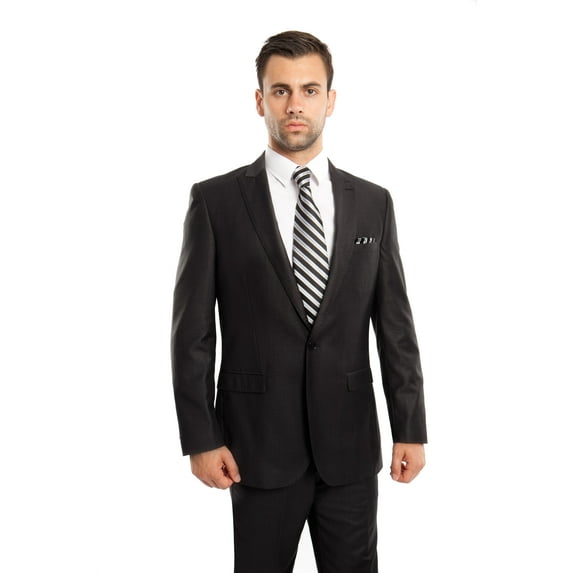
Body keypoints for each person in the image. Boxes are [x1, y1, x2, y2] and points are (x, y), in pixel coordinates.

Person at [171, 30, 427, 573]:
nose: (295, 104)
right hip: (255, 447)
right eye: (280, 90)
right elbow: (192, 333)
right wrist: (200, 437)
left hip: (350, 448)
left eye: (309, 90)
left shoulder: (373, 203)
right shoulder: (215, 201)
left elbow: (396, 328)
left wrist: (410, 426)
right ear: (259, 100)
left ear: (330, 100)